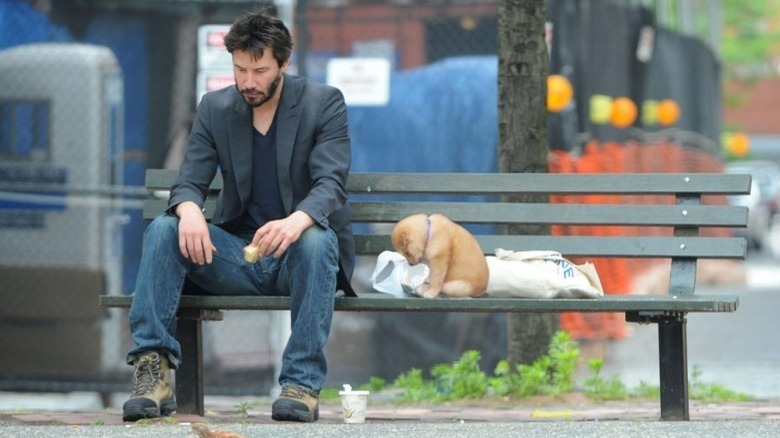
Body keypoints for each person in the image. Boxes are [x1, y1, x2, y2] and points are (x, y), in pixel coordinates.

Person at [122, 9, 355, 423]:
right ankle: (152, 372)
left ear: (284, 63)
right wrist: (190, 209)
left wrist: (296, 221)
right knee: (164, 227)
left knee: (317, 239)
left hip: (298, 259)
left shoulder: (324, 103)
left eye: (260, 70)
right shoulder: (216, 108)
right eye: (240, 69)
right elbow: (189, 180)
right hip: (236, 257)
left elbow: (331, 185)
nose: (248, 81)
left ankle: (301, 385)